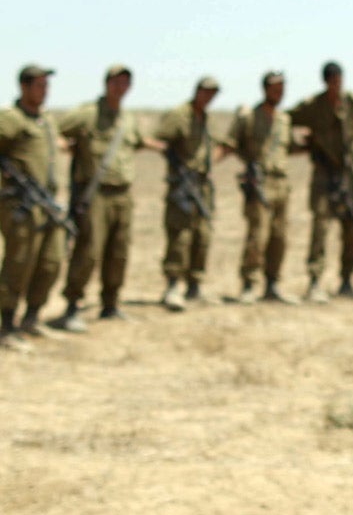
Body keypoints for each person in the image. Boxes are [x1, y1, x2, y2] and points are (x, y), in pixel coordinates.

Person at [0, 65, 71, 347]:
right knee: (19, 263)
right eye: (40, 85)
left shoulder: (45, 119)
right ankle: (7, 325)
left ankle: (32, 317)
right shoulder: (11, 118)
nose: (45, 91)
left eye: (47, 85)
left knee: (51, 262)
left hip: (47, 205)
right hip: (21, 204)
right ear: (24, 86)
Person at [55, 64, 148, 328]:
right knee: (89, 250)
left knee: (119, 251)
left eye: (125, 83)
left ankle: (110, 302)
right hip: (95, 193)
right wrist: (69, 148)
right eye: (116, 82)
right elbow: (53, 130)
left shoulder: (127, 119)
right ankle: (73, 305)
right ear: (107, 83)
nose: (121, 88)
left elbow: (138, 142)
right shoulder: (87, 114)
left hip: (123, 193)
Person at [290, 61, 353, 302]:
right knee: (321, 227)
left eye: (339, 80)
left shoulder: (352, 104)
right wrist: (302, 144)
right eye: (332, 80)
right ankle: (315, 281)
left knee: (352, 226)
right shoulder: (313, 106)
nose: (337, 84)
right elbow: (286, 119)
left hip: (346, 174)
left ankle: (346, 280)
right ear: (326, 81)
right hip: (324, 173)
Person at [224, 71, 294, 304]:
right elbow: (231, 144)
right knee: (258, 236)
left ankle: (272, 284)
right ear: (265, 89)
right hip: (260, 182)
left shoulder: (285, 120)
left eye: (282, 88)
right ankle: (249, 283)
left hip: (281, 182)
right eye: (274, 88)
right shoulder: (250, 117)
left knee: (279, 236)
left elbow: (290, 148)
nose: (279, 92)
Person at [158, 76, 222, 311]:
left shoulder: (207, 119)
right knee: (180, 235)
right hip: (183, 186)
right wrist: (177, 165)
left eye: (213, 93)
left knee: (202, 235)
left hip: (202, 185)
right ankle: (173, 285)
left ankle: (195, 286)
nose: (208, 97)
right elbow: (159, 140)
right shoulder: (179, 115)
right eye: (205, 92)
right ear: (197, 91)